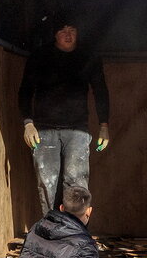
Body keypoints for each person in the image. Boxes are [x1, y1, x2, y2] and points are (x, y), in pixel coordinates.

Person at [19, 14, 111, 214]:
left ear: (78, 33)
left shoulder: (88, 57)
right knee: (46, 182)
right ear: (54, 34)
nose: (68, 35)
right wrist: (28, 123)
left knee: (76, 183)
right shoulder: (40, 57)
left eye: (72, 30)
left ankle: (76, 232)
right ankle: (51, 231)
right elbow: (25, 90)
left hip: (77, 130)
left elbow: (101, 91)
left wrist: (104, 125)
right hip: (44, 130)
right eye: (62, 31)